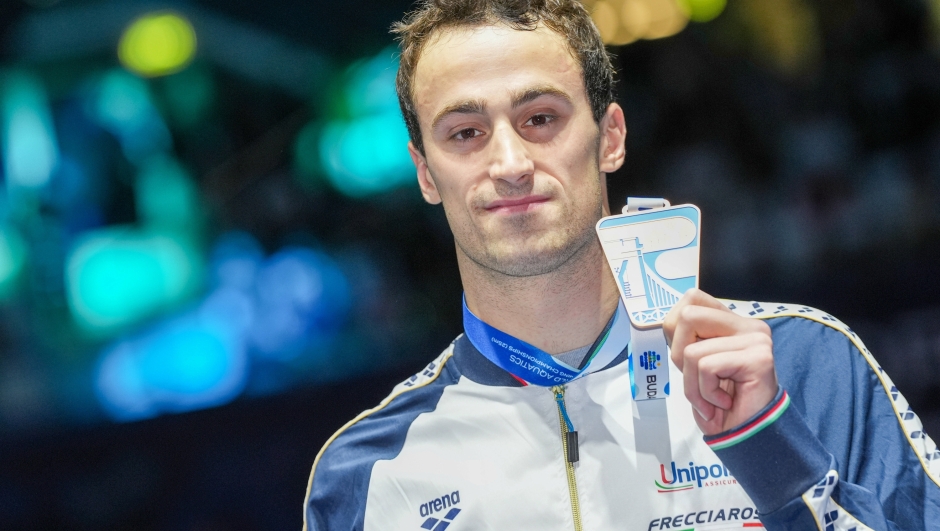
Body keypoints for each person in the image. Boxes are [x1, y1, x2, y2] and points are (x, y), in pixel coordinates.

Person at [303, 1, 940, 529]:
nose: (510, 164)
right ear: (424, 172)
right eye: (465, 133)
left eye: (540, 118)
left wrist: (771, 447)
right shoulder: (364, 474)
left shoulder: (805, 361)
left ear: (610, 137)